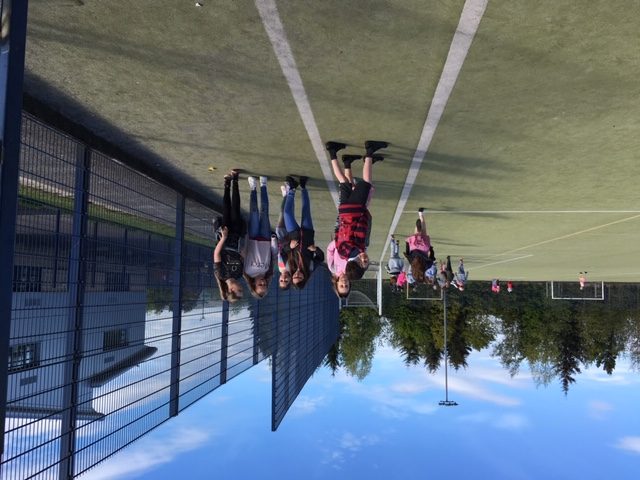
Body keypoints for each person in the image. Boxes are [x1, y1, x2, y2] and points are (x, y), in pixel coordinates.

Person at [326, 140, 388, 297]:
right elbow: (339, 240)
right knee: (344, 182)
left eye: (342, 285)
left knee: (366, 183)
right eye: (346, 285)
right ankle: (332, 152)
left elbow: (359, 229)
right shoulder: (347, 255)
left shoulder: (353, 252)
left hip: (352, 214)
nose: (344, 283)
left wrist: (363, 215)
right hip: (344, 215)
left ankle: (369, 151)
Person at [281, 175, 324, 289]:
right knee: (306, 210)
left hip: (293, 234)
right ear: (304, 278)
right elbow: (320, 258)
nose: (297, 275)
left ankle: (292, 189)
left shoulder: (288, 267)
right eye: (299, 277)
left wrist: (289, 247)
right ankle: (303, 187)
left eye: (295, 277)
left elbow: (282, 253)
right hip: (307, 234)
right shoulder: (310, 268)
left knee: (287, 214)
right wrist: (316, 249)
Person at [213, 170, 245, 302]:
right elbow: (241, 258)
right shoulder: (239, 275)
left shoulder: (220, 275)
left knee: (226, 209)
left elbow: (216, 254)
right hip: (236, 238)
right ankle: (235, 179)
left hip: (225, 239)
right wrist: (243, 253)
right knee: (236, 209)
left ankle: (227, 183)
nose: (241, 288)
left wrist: (224, 237)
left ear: (231, 290)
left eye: (239, 290)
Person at [243, 175, 276, 298]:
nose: (263, 282)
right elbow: (273, 254)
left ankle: (253, 188)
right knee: (264, 211)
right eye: (265, 284)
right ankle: (263, 185)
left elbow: (244, 252)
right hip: (266, 238)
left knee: (254, 212)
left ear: (253, 284)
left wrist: (245, 237)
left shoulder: (246, 271)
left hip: (252, 237)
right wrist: (273, 241)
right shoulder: (268, 271)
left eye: (260, 285)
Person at [405, 208, 435, 283]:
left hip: (424, 248)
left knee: (424, 228)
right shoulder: (412, 265)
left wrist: (431, 249)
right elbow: (407, 254)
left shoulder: (427, 266)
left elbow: (431, 258)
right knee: (416, 233)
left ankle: (421, 214)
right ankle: (418, 227)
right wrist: (407, 243)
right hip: (414, 247)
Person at [275, 185, 293, 290]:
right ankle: (290, 193)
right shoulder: (293, 269)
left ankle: (285, 195)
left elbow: (279, 251)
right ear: (290, 280)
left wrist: (280, 242)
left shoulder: (280, 268)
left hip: (281, 235)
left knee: (283, 213)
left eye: (281, 281)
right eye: (286, 281)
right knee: (289, 214)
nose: (284, 279)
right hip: (290, 236)